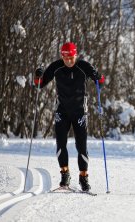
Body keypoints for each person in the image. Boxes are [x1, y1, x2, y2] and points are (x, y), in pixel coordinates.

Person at [33, 42, 105, 191]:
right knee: (61, 145)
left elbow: (100, 83)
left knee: (82, 146)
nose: (68, 61)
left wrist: (99, 77)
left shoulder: (84, 66)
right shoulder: (56, 66)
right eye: (66, 58)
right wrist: (38, 76)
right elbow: (39, 85)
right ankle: (64, 174)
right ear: (62, 56)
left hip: (79, 112)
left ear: (75, 55)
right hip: (62, 111)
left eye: (71, 58)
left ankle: (83, 177)